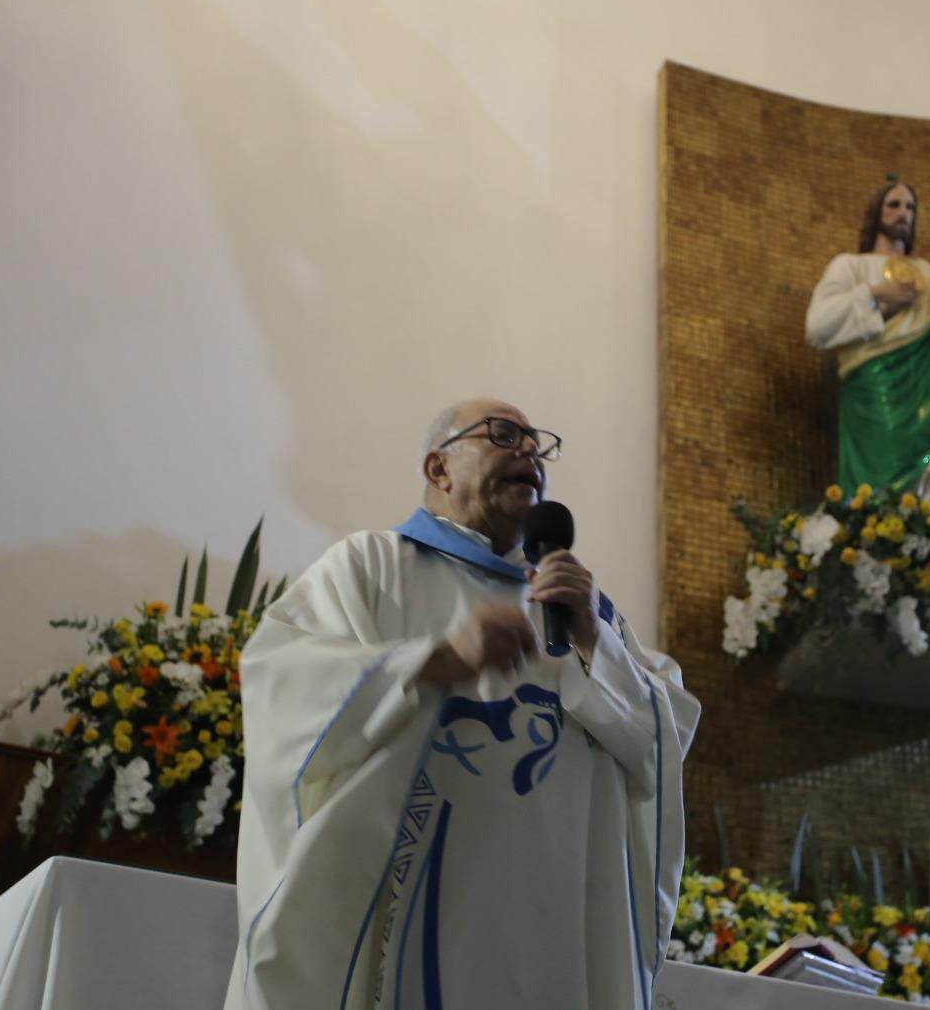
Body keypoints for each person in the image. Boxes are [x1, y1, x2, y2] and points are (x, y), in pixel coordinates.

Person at [223, 397, 700, 1010]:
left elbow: (661, 742)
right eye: (503, 434)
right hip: (428, 902)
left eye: (538, 444)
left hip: (558, 925)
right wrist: (431, 660)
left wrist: (594, 643)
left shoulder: (583, 607)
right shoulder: (371, 568)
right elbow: (285, 683)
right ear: (438, 469)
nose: (529, 451)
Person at [804, 176, 930, 504]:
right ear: (877, 213)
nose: (904, 213)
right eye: (894, 204)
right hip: (875, 393)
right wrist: (874, 295)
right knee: (874, 496)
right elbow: (817, 327)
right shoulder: (851, 267)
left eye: (910, 207)